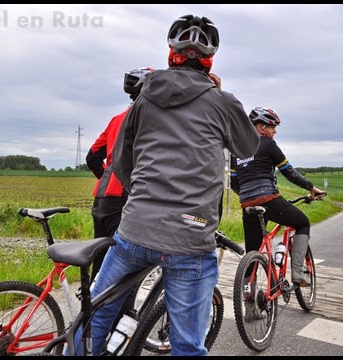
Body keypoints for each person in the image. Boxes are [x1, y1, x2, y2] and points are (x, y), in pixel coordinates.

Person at [88, 14, 260, 356]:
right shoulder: (222, 103)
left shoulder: (144, 98)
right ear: (209, 62)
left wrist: (145, 196)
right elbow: (248, 147)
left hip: (135, 227)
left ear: (171, 54)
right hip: (191, 237)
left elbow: (121, 161)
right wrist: (220, 95)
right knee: (186, 344)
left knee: (94, 317)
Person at [230, 106, 325, 295]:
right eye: (272, 127)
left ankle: (249, 301)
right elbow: (288, 172)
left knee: (252, 252)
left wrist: (248, 197)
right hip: (269, 199)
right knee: (302, 223)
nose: (275, 131)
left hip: (247, 204)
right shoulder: (267, 144)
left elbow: (234, 182)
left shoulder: (236, 150)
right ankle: (298, 273)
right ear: (260, 127)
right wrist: (311, 188)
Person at [85, 66, 155, 280]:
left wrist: (107, 175)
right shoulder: (148, 121)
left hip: (101, 198)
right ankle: (123, 311)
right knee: (125, 264)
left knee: (100, 259)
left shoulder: (116, 119)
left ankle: (91, 304)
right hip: (126, 198)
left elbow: (92, 157)